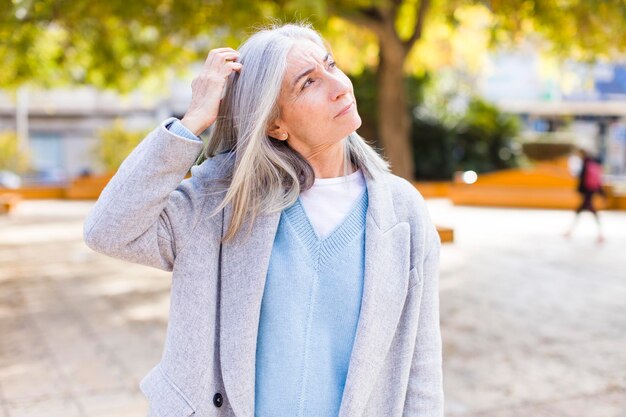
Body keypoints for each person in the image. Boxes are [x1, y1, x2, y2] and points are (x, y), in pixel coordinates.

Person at [84, 22, 443, 417]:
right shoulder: (221, 202)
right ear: (275, 123)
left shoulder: (403, 210)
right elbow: (108, 230)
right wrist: (193, 122)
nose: (339, 85)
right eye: (308, 83)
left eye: (331, 65)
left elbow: (421, 367)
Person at [564, 148, 606, 243]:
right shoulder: (592, 162)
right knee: (583, 211)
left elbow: (583, 178)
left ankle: (600, 233)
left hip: (588, 192)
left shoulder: (586, 163)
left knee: (587, 211)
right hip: (591, 191)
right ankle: (570, 231)